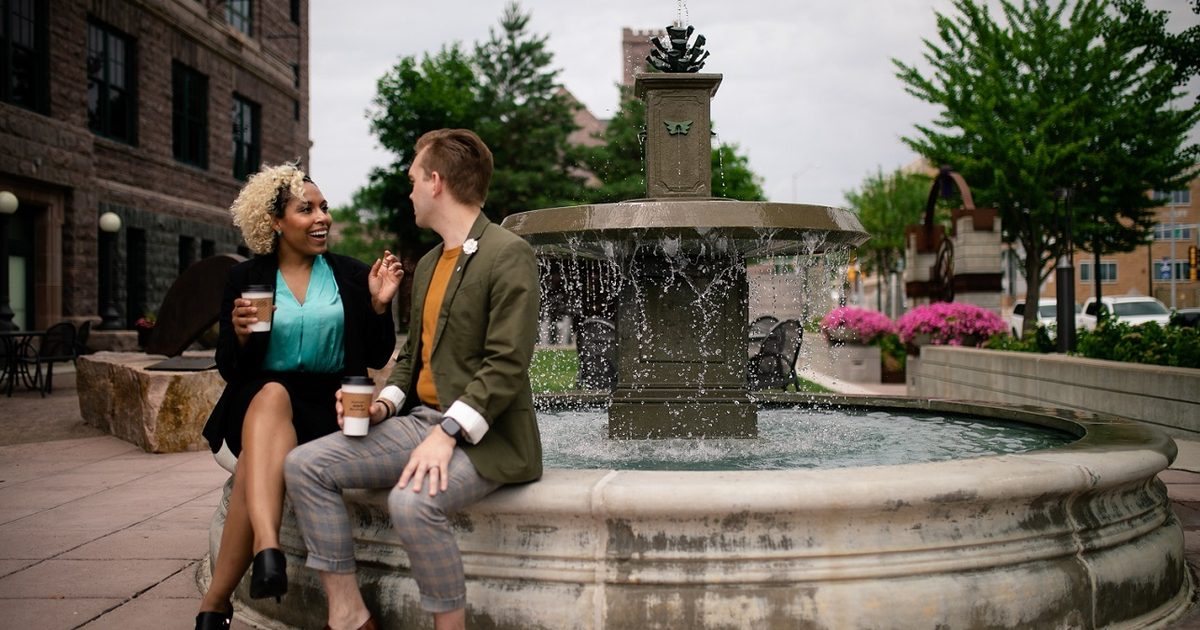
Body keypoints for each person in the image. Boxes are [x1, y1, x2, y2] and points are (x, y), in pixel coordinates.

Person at [284, 128, 542, 630]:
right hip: (419, 422)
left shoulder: (508, 252)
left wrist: (448, 433)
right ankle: (349, 615)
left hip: (489, 437)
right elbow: (411, 360)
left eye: (413, 180)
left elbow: (507, 363)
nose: (410, 192)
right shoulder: (425, 264)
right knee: (304, 465)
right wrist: (381, 406)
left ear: (436, 182)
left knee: (412, 502)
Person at [195, 163, 401, 630]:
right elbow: (230, 367)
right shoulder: (247, 277)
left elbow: (376, 354)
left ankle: (220, 599)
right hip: (259, 398)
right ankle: (266, 548)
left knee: (253, 466)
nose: (321, 217)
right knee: (271, 394)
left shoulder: (351, 275)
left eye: (324, 207)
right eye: (306, 210)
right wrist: (240, 335)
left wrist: (379, 304)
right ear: (275, 221)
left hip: (328, 404)